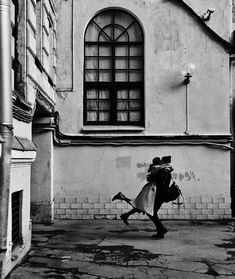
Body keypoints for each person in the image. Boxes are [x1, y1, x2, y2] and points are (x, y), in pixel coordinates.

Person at [112, 156, 173, 239]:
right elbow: (153, 178)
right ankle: (161, 230)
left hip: (157, 194)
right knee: (144, 206)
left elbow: (151, 178)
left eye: (162, 161)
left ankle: (161, 230)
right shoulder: (164, 170)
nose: (161, 162)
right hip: (156, 193)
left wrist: (151, 175)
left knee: (143, 206)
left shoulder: (163, 170)